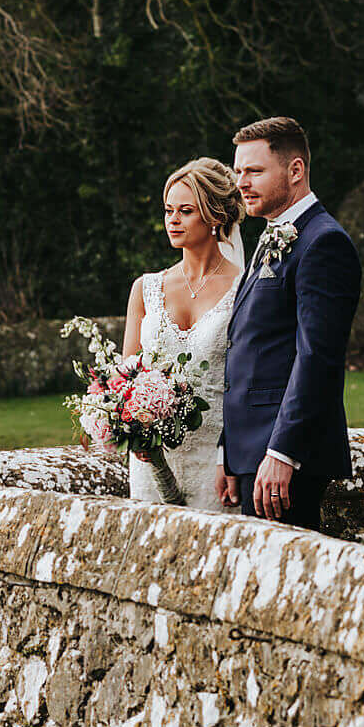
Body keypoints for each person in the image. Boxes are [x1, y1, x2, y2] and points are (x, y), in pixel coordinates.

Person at [214, 117, 361, 531]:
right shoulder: (275, 234)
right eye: (239, 171)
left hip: (283, 460)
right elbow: (250, 347)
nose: (242, 183)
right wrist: (231, 450)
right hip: (252, 452)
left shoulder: (322, 242)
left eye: (255, 171)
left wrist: (283, 453)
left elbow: (317, 357)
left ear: (295, 171)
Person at [123, 158, 245, 511]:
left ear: (215, 217)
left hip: (217, 463)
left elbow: (248, 380)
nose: (173, 220)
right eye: (169, 210)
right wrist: (130, 428)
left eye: (186, 211)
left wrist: (234, 457)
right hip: (152, 462)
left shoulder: (244, 289)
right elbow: (124, 379)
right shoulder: (145, 289)